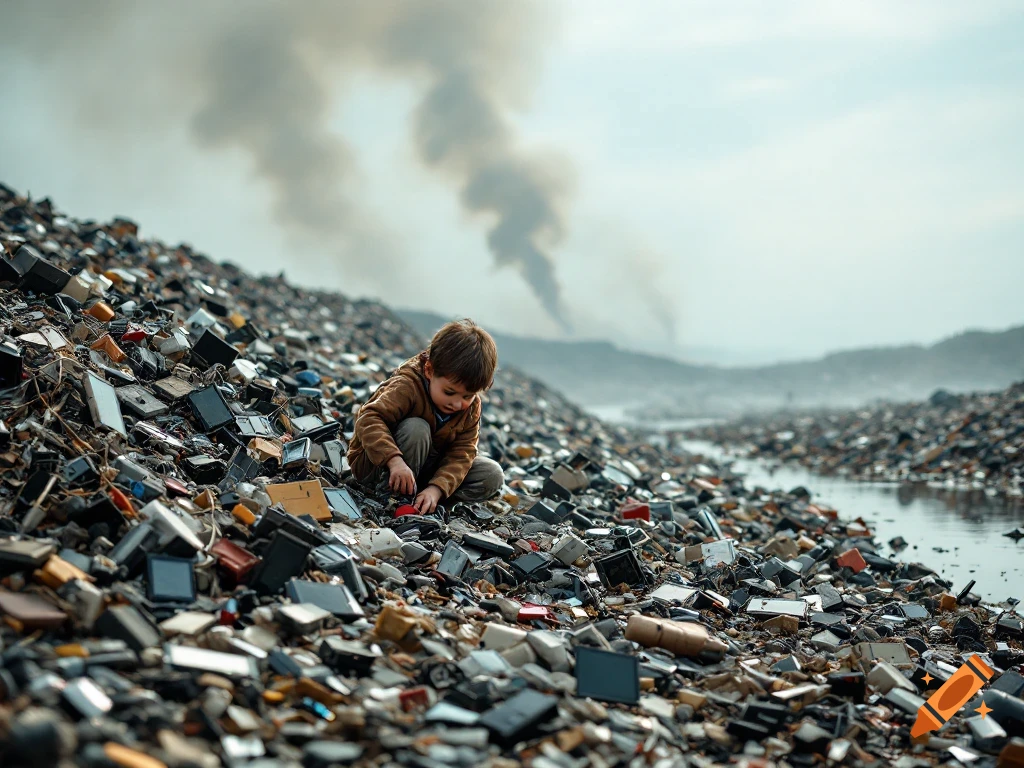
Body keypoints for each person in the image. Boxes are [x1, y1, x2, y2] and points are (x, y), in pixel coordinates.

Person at [347, 318, 504, 514]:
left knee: (491, 474)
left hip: (423, 470)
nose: (457, 403)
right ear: (429, 370)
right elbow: (369, 418)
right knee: (417, 428)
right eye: (449, 392)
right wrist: (394, 461)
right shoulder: (407, 385)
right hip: (380, 464)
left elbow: (462, 453)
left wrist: (437, 489)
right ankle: (391, 497)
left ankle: (426, 502)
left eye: (467, 396)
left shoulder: (471, 407)